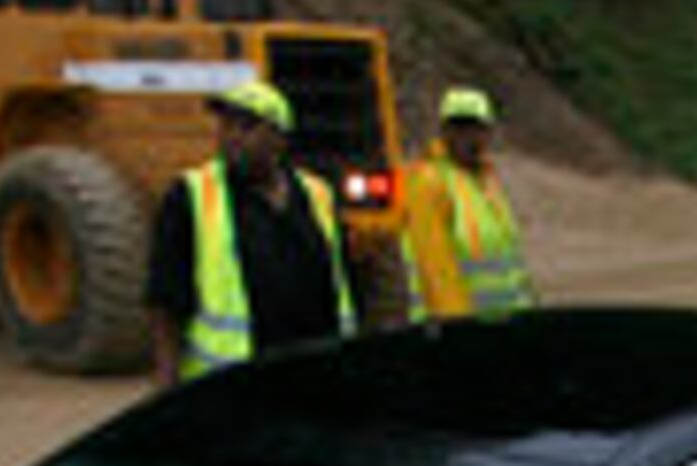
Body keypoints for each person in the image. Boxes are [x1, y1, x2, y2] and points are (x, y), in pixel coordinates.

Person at [144, 79, 353, 384]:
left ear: (279, 138)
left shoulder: (318, 194)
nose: (231, 137)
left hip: (315, 371)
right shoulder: (191, 194)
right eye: (226, 126)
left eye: (246, 127)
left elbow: (345, 279)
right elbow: (165, 298)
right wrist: (166, 375)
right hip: (233, 379)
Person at [403, 85, 534, 320]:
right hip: (461, 333)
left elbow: (511, 264)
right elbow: (437, 271)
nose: (470, 137)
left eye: (476, 128)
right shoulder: (428, 183)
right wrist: (458, 332)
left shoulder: (487, 184)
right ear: (444, 132)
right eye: (460, 127)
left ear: (489, 132)